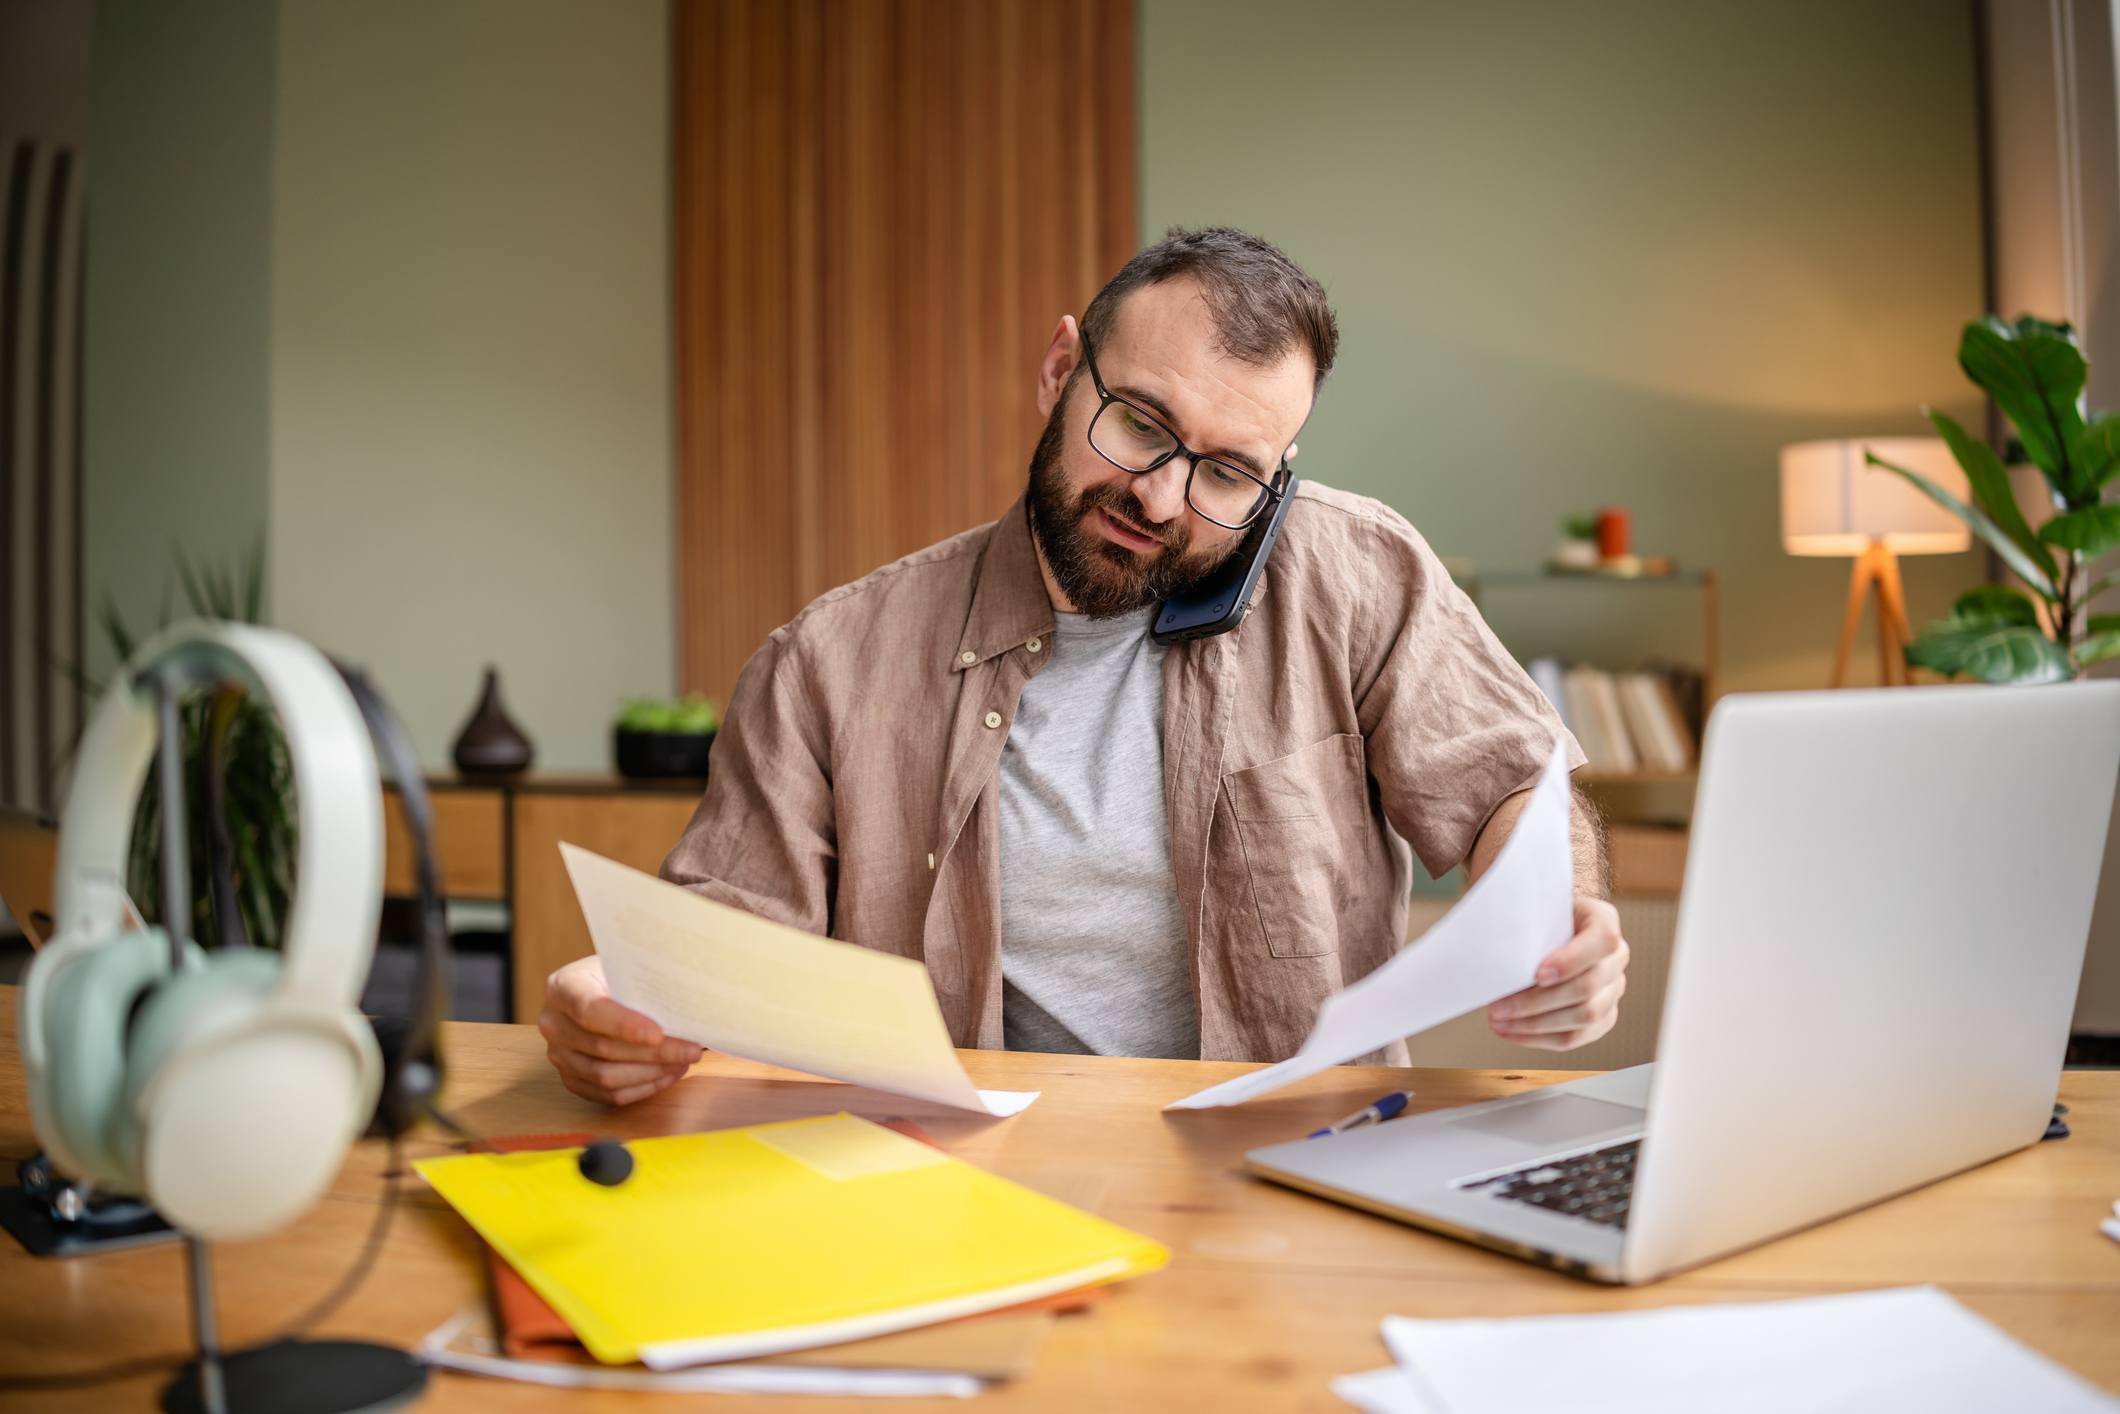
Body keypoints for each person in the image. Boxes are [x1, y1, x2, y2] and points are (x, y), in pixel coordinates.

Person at [540, 227, 1628, 1106]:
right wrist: (621, 1000)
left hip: (1296, 1168)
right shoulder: (827, 661)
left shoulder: (1360, 570)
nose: (1160, 497)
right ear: (1061, 369)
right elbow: (727, 937)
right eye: (1140, 426)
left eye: (1227, 474)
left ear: (1277, 477)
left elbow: (1511, 788)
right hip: (962, 1185)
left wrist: (1561, 911)